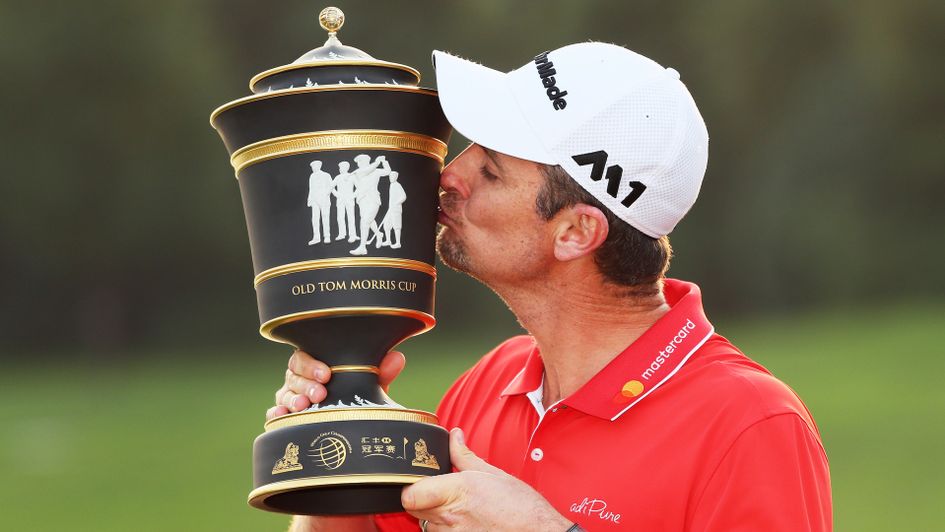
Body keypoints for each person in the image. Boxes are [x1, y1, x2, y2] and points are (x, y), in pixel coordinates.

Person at [270, 43, 832, 531]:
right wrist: (331, 458)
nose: (450, 175)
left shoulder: (751, 424)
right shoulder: (489, 385)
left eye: (490, 170)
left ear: (575, 232)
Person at [350, 154, 391, 255]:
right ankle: (379, 234)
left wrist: (384, 162)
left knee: (365, 221)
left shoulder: (376, 171)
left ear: (365, 161)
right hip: (362, 199)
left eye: (359, 161)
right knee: (369, 220)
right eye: (358, 162)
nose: (358, 164)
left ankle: (362, 247)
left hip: (373, 199)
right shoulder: (358, 172)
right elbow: (360, 186)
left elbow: (387, 172)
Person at [306, 160, 334, 245]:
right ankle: (316, 237)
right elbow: (311, 188)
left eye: (314, 166)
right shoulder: (312, 176)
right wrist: (309, 199)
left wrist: (325, 194)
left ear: (319, 166)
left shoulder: (326, 175)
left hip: (324, 199)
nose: (313, 168)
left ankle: (327, 236)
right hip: (315, 200)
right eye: (312, 167)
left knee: (325, 218)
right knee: (315, 219)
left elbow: (331, 186)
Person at [332, 160, 359, 243]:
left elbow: (359, 187)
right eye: (339, 167)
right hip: (340, 200)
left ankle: (353, 235)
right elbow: (331, 187)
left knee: (351, 217)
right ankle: (341, 234)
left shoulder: (352, 176)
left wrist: (353, 196)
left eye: (341, 167)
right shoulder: (337, 177)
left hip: (349, 200)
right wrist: (337, 194)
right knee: (340, 217)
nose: (340, 169)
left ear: (346, 167)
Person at [382, 171, 407, 249]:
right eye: (390, 177)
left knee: (396, 226)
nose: (391, 178)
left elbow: (403, 196)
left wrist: (396, 203)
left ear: (396, 177)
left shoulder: (397, 185)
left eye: (392, 177)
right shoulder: (392, 185)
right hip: (391, 209)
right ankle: (388, 240)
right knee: (386, 224)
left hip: (396, 209)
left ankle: (398, 243)